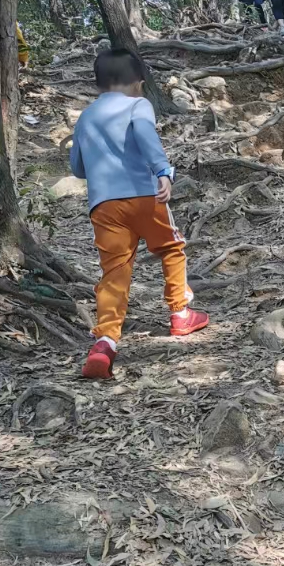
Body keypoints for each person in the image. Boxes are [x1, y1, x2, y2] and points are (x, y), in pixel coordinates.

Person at [69, 48, 209, 379]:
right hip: (146, 196)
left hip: (104, 205)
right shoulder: (138, 104)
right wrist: (163, 170)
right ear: (138, 84)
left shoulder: (86, 116)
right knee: (171, 247)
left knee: (114, 270)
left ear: (99, 85)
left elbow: (77, 167)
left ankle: (105, 342)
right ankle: (180, 313)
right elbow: (146, 136)